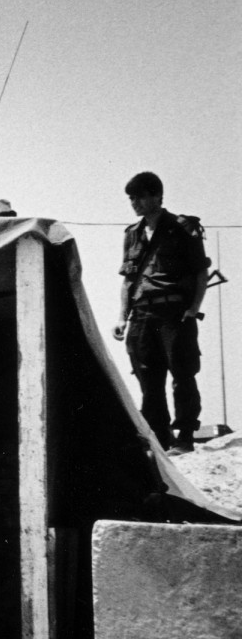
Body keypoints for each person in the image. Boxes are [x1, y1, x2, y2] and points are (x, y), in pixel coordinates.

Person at [114, 171, 209, 454]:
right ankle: (159, 439)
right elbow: (128, 280)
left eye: (141, 196)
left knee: (182, 373)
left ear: (158, 196)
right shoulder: (132, 234)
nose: (136, 203)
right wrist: (122, 316)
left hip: (174, 312)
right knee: (148, 378)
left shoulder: (182, 228)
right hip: (142, 315)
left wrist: (193, 309)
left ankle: (185, 437)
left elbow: (200, 272)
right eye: (132, 198)